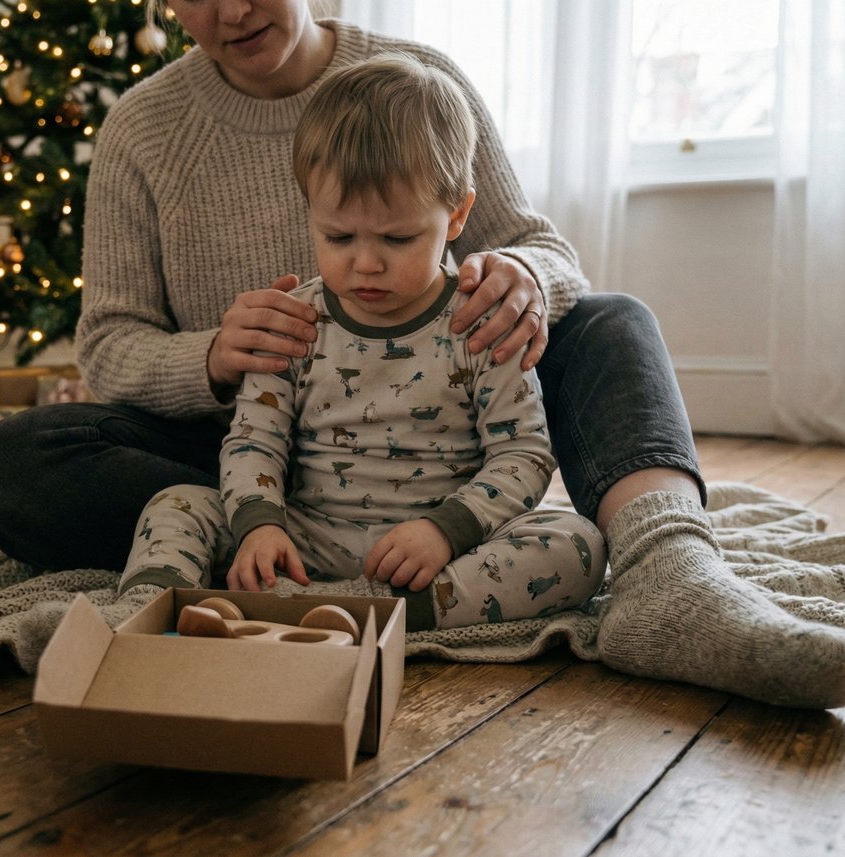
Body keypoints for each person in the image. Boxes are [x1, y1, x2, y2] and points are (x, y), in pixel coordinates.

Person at [0, 0, 845, 707]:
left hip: (450, 432)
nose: (229, 13)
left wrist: (518, 272)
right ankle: (221, 580)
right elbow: (110, 344)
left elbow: (547, 251)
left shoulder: (416, 79)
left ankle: (672, 581)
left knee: (614, 320)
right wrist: (212, 357)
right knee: (12, 458)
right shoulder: (142, 128)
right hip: (249, 450)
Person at [120, 54, 607, 632]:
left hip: (439, 552)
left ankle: (392, 613)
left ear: (457, 215)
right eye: (338, 236)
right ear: (310, 212)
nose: (366, 263)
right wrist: (260, 525)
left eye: (398, 238)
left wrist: (444, 532)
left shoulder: (481, 318)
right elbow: (254, 440)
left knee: (577, 545)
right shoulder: (296, 320)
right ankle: (143, 620)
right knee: (177, 504)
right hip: (306, 541)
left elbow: (523, 454)